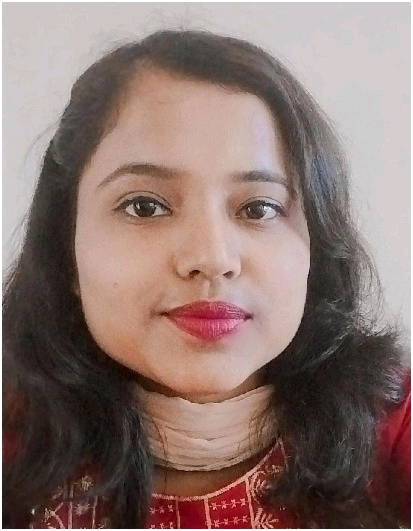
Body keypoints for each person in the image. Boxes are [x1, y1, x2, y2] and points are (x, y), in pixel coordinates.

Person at [3, 30, 410, 529]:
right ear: (65, 249)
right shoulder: (12, 439)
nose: (211, 258)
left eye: (258, 208)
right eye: (145, 206)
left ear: (316, 250)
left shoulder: (393, 423)